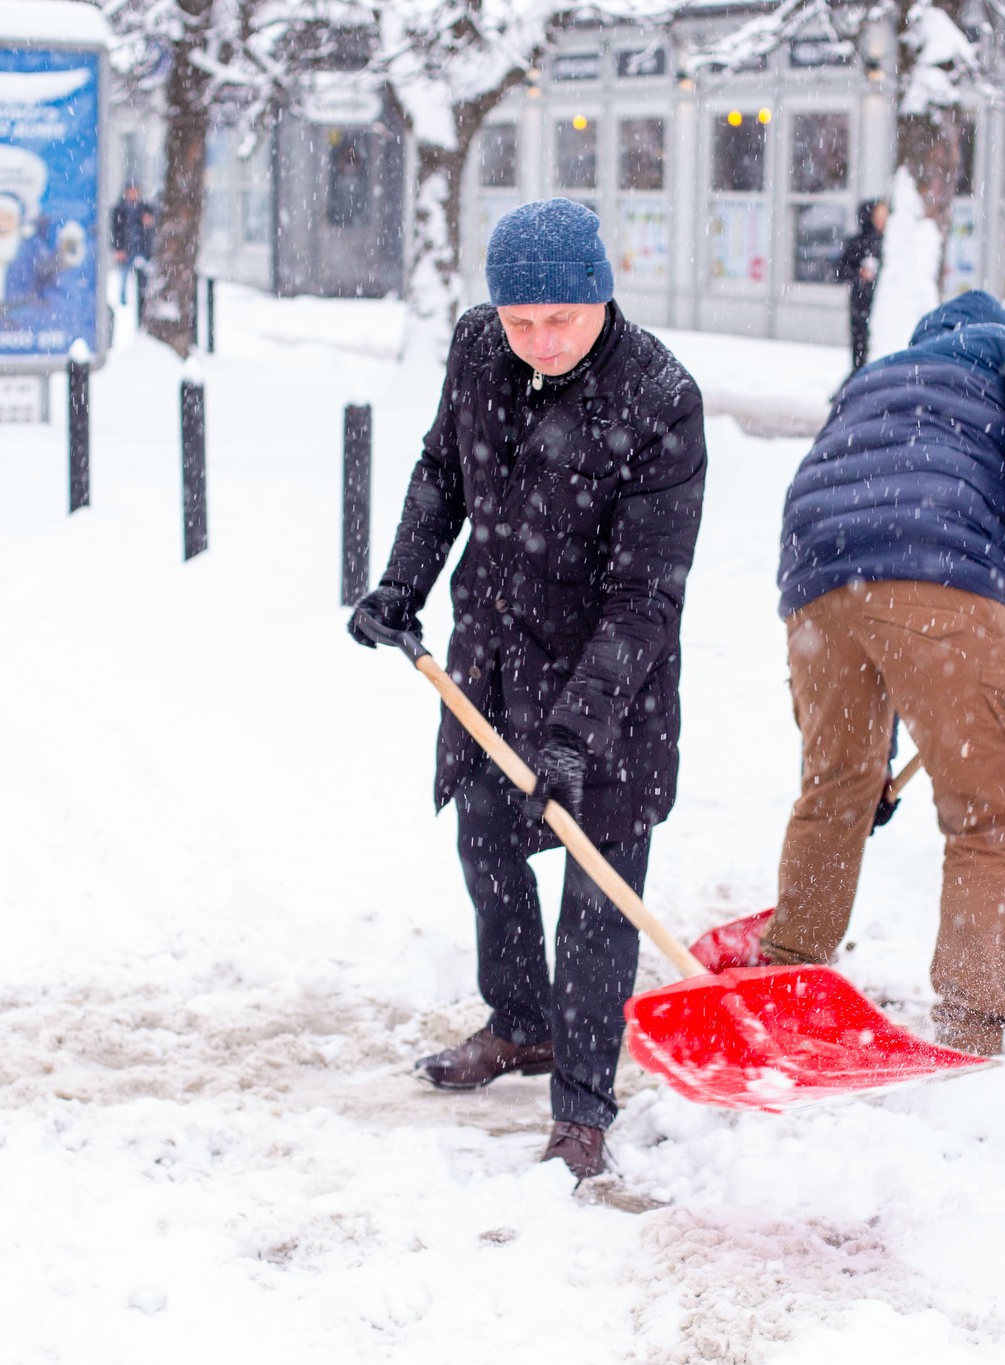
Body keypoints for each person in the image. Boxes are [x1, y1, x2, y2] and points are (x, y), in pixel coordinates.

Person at [347, 198, 706, 1180]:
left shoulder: (658, 398)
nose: (541, 342)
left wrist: (575, 732)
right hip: (494, 651)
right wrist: (400, 582)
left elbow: (644, 596)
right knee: (486, 840)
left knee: (597, 890)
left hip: (610, 681)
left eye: (563, 319)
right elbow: (440, 474)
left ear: (602, 296)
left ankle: (582, 1107)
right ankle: (520, 1022)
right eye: (521, 322)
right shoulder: (475, 352)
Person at [736, 290, 1005, 1058]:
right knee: (985, 816)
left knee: (836, 787)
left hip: (818, 575)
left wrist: (870, 763)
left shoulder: (876, 378)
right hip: (938, 567)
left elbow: (856, 508)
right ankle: (970, 1027)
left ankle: (789, 980)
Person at [838, 198, 890, 374]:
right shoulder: (858, 243)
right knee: (861, 349)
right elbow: (840, 271)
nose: (884, 220)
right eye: (879, 215)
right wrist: (859, 275)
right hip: (862, 304)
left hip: (883, 306)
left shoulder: (891, 243)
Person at [110, 183, 151, 307]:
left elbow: (151, 226)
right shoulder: (120, 209)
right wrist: (117, 248)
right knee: (123, 276)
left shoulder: (144, 208)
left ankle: (142, 301)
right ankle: (122, 302)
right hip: (126, 248)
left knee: (144, 277)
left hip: (141, 248)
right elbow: (115, 230)